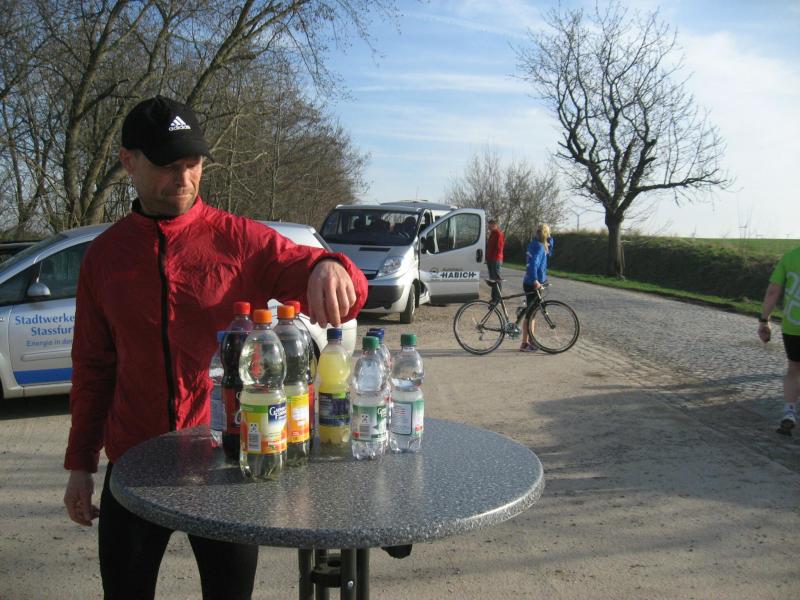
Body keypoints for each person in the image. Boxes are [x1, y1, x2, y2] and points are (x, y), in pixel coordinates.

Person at [62, 95, 368, 600]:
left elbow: (330, 278)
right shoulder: (104, 257)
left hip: (224, 464)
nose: (184, 178)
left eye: (193, 163)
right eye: (168, 165)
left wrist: (331, 266)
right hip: (135, 461)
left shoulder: (239, 241)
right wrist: (80, 466)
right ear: (128, 162)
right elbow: (93, 367)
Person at [757, 243, 800, 436]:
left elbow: (773, 291)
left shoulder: (790, 257)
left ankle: (789, 412)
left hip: (793, 325)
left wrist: (764, 320)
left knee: (794, 369)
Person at [519, 224, 551, 352]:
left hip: (529, 281)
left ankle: (527, 342)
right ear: (545, 234)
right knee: (531, 315)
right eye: (548, 233)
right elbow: (533, 264)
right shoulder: (539, 246)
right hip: (533, 282)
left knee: (530, 314)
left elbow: (550, 250)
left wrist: (549, 239)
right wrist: (535, 280)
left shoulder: (535, 244)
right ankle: (527, 343)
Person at [486, 218, 505, 284]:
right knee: (492, 279)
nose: (488, 226)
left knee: (497, 278)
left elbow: (499, 248)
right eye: (488, 225)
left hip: (496, 259)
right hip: (490, 259)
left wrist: (493, 258)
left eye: (490, 225)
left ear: (495, 225)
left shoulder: (498, 234)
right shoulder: (492, 234)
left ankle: (498, 291)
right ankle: (494, 290)